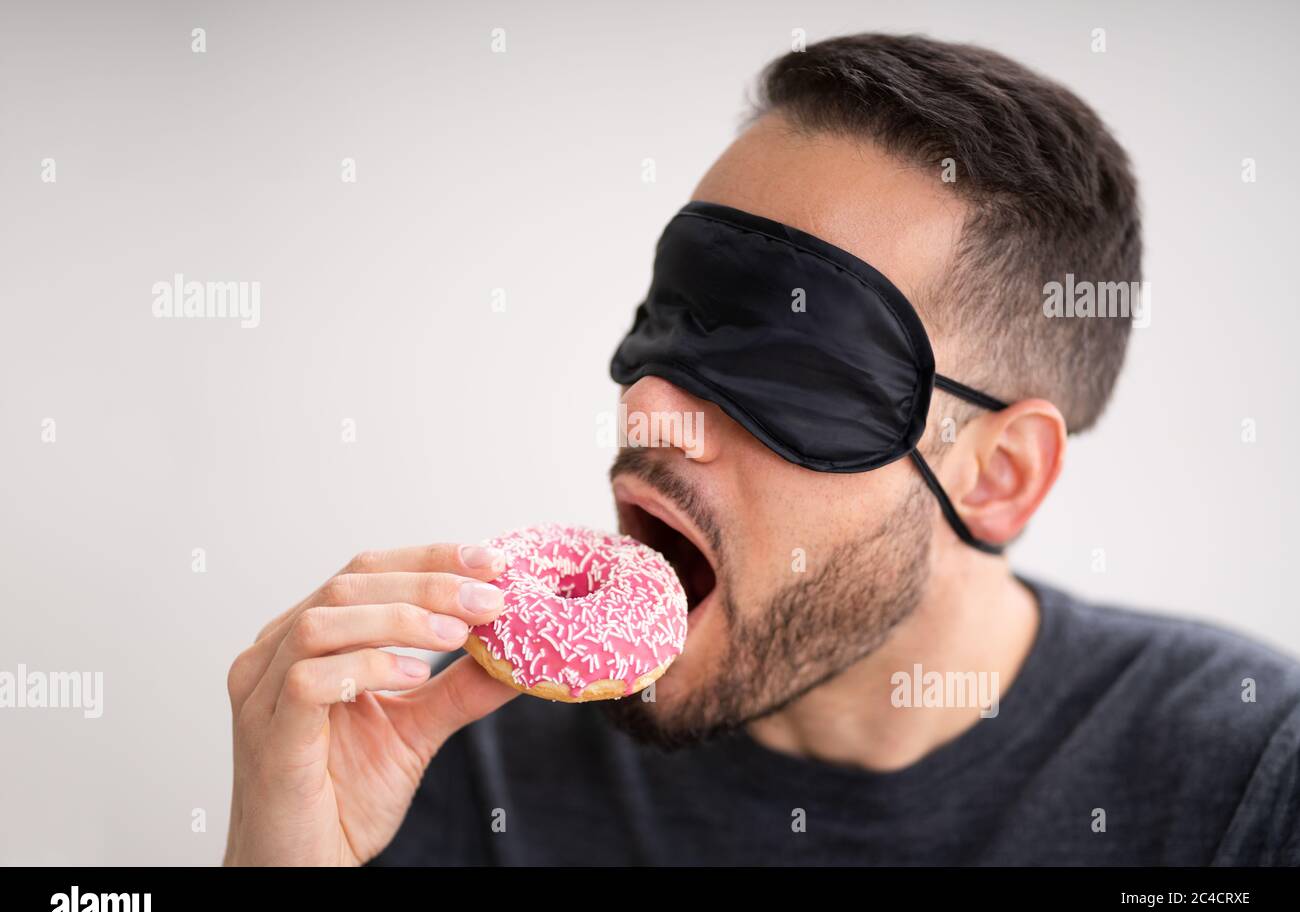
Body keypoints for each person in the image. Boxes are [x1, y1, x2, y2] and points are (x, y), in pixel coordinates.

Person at [223, 33, 1300, 866]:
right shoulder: (445, 747)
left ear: (998, 473)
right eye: (668, 320)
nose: (649, 404)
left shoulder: (1247, 781)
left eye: (789, 367)